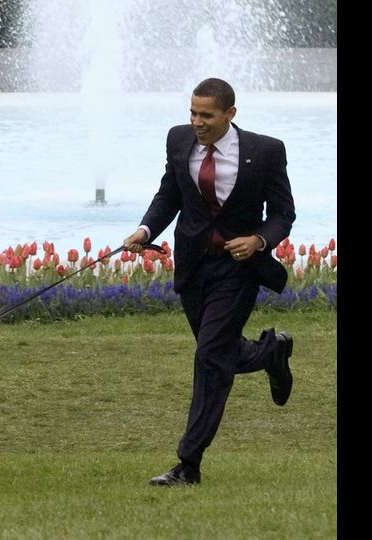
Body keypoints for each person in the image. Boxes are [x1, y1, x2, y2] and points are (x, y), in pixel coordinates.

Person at [123, 77, 296, 486]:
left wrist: (258, 240)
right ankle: (271, 352)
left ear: (230, 114)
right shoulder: (179, 139)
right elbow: (170, 195)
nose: (197, 122)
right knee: (218, 351)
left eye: (206, 115)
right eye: (193, 113)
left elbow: (283, 213)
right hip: (194, 267)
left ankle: (188, 464)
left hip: (238, 269)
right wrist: (145, 230)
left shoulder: (266, 151)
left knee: (209, 357)